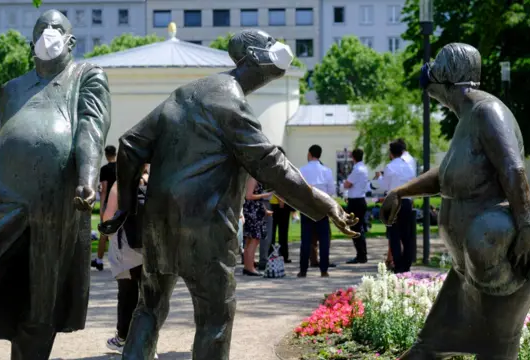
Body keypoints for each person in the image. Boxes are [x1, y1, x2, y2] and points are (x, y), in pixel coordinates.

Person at [98, 29, 358, 360]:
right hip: (205, 227)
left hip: (159, 223)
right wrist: (325, 203)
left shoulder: (186, 94)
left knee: (148, 308)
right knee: (215, 319)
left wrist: (127, 207)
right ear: (253, 59)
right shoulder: (232, 103)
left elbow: (131, 145)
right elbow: (271, 166)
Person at [381, 43, 530, 359]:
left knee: (496, 350)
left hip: (503, 260)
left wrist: (526, 230)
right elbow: (445, 176)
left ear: (446, 80)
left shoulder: (487, 112)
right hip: (466, 270)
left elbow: (513, 169)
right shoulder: (467, 118)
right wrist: (398, 192)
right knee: (428, 348)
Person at [0, 10, 110, 359]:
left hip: (57, 203)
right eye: (41, 29)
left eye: (56, 28)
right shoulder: (11, 89)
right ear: (32, 42)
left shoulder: (86, 75)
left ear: (70, 41)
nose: (48, 33)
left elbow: (91, 128)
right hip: (0, 194)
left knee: (41, 302)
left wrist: (87, 177)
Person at [103, 165, 158, 359]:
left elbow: (108, 217)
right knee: (150, 297)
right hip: (153, 247)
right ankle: (150, 343)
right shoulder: (157, 181)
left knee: (127, 295)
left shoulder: (122, 183)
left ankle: (123, 337)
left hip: (126, 247)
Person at [298, 145, 336, 278]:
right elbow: (331, 191)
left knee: (306, 240)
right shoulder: (327, 171)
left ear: (309, 154)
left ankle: (303, 270)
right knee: (324, 239)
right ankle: (324, 269)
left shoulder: (302, 170)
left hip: (307, 207)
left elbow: (299, 190)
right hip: (322, 207)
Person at [381, 140, 416, 273]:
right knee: (406, 235)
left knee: (394, 234)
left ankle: (398, 263)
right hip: (406, 201)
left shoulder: (389, 167)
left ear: (391, 153)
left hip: (393, 201)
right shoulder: (409, 167)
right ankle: (407, 264)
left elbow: (385, 187)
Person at [92, 145, 118, 271]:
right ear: (115, 154)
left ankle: (99, 260)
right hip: (121, 203)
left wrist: (102, 207)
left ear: (106, 155)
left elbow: (104, 190)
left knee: (104, 233)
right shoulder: (122, 168)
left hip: (109, 202)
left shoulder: (104, 169)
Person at [343, 148, 369, 264]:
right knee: (359, 228)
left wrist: (345, 183)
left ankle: (361, 255)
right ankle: (362, 254)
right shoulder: (364, 168)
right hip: (361, 200)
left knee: (355, 229)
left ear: (353, 157)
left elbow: (347, 184)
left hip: (355, 201)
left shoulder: (357, 169)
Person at [242, 177, 272, 276]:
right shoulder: (252, 179)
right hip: (252, 212)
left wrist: (265, 210)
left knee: (250, 240)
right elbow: (249, 196)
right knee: (254, 239)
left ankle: (247, 266)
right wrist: (265, 195)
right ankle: (250, 267)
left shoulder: (252, 178)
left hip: (253, 210)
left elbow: (256, 200)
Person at [270, 147, 293, 263]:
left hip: (275, 203)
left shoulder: (273, 167)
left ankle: (272, 254)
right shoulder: (284, 167)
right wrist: (282, 199)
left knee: (273, 232)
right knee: (282, 231)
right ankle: (283, 255)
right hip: (280, 203)